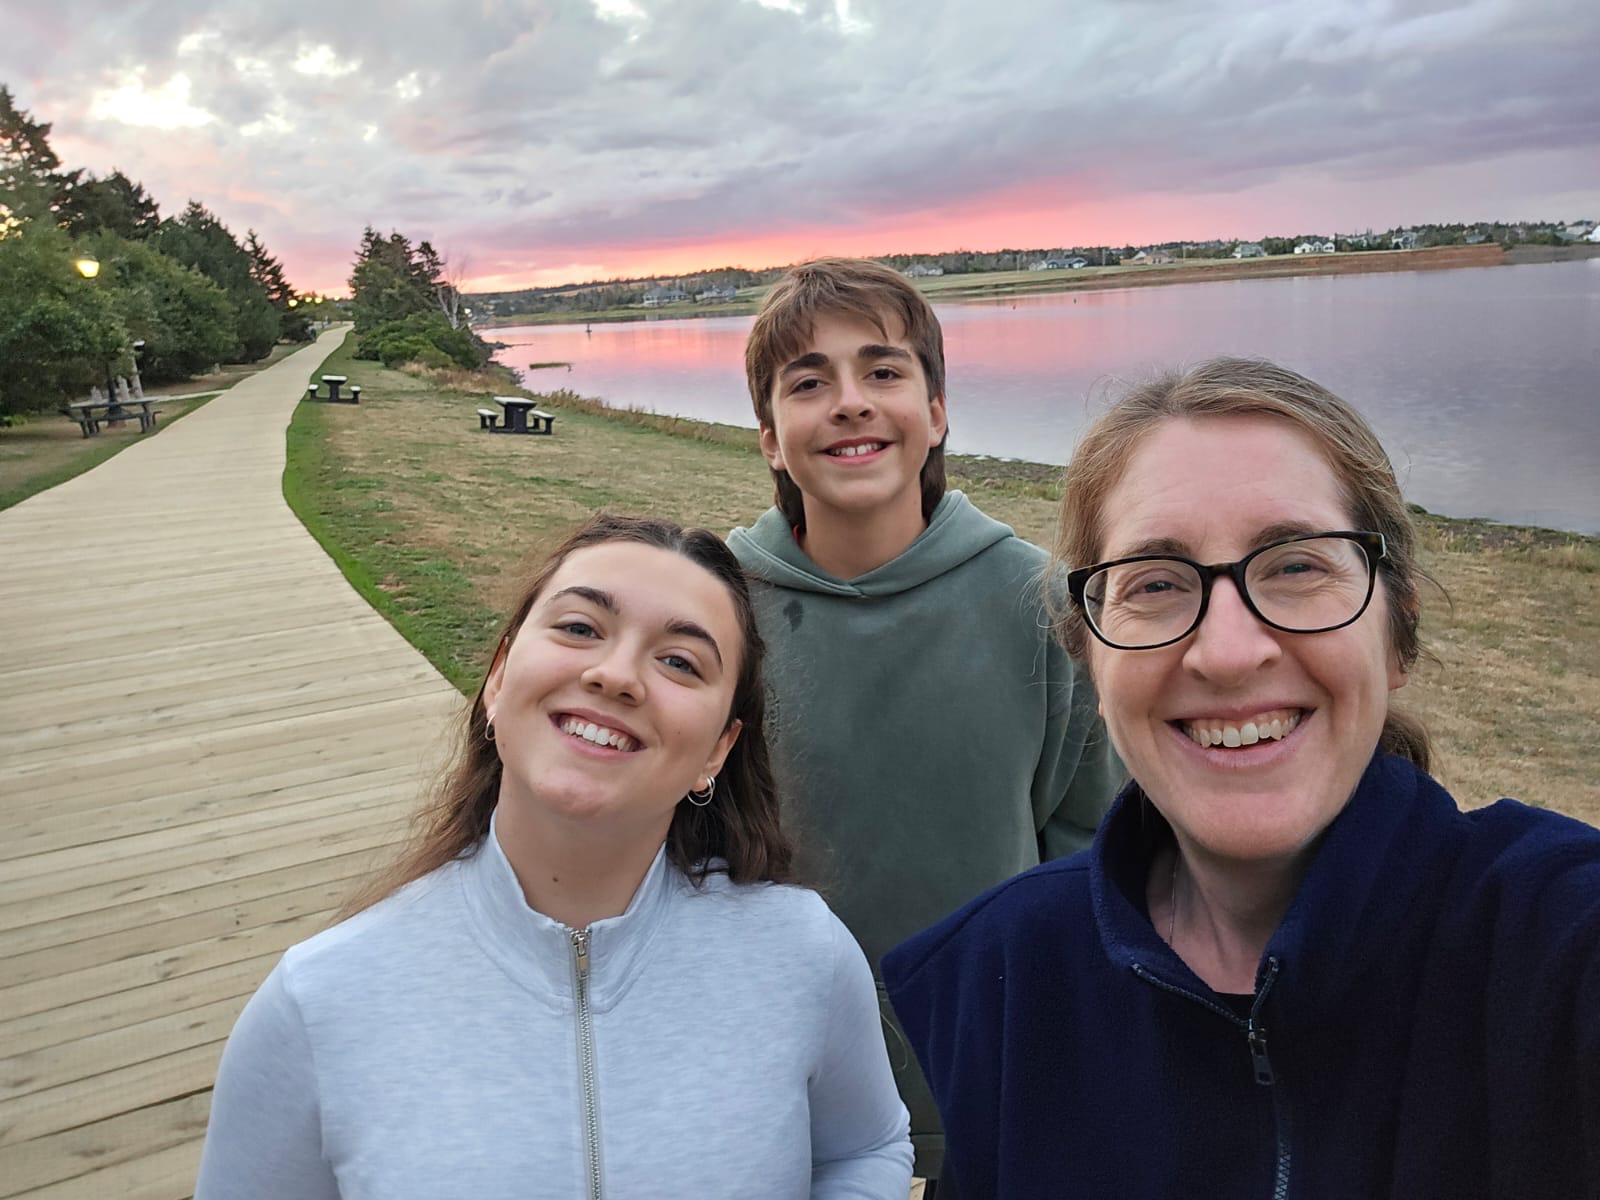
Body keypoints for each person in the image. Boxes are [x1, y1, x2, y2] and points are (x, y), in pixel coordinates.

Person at [882, 358, 1600, 1198]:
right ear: (1090, 655)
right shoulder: (1001, 979)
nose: (1227, 652)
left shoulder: (1552, 946)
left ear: (1397, 632)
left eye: (1296, 565)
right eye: (1155, 583)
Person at [195, 514, 913, 1199]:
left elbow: (867, 1147)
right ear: (499, 678)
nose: (617, 674)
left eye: (680, 661)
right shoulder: (317, 1002)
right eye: (579, 627)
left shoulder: (801, 953)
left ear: (718, 751)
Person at [727, 258, 1121, 1191]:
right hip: (772, 1065)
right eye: (808, 383)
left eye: (884, 372)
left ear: (937, 413)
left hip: (988, 1058)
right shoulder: (718, 608)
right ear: (771, 439)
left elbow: (1089, 849)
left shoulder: (1038, 604)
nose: (850, 402)